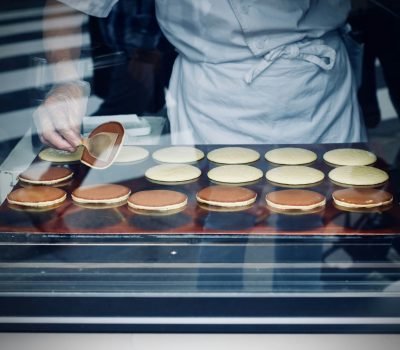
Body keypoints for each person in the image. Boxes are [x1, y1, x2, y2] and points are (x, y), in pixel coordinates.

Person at [35, 0, 366, 151]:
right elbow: (67, 6)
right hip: (215, 96)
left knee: (311, 221)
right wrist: (66, 82)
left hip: (317, 85)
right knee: (218, 224)